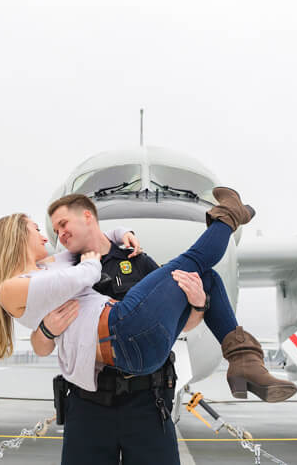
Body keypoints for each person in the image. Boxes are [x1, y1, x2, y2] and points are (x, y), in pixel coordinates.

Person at [0, 187, 296, 408]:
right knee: (195, 261)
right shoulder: (11, 287)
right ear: (17, 237)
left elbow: (90, 247)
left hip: (137, 347)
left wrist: (118, 234)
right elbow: (81, 276)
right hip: (121, 332)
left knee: (203, 277)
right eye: (37, 229)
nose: (47, 235)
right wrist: (89, 263)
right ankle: (229, 216)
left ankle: (243, 360)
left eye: (55, 227)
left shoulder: (48, 267)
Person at [34, 194, 182, 464]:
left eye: (64, 223)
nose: (60, 233)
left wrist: (196, 304)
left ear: (87, 216)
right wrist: (47, 329)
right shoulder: (61, 273)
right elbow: (40, 347)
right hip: (88, 404)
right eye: (56, 230)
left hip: (146, 401)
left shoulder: (137, 261)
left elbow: (176, 320)